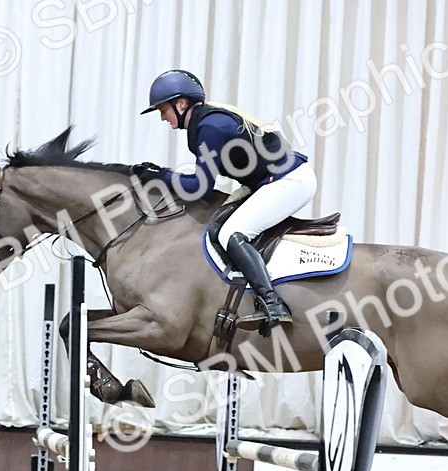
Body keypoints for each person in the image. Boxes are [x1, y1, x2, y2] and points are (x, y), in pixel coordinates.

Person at [134, 69, 316, 332]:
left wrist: (160, 176)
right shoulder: (206, 122)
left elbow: (200, 187)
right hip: (271, 180)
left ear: (181, 104)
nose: (163, 117)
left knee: (232, 233)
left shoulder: (209, 128)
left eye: (164, 110)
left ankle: (272, 302)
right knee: (217, 226)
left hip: (290, 181)